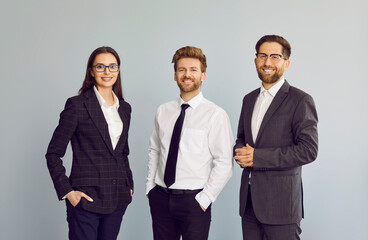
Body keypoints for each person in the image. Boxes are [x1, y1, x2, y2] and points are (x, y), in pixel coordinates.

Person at [234, 35, 318, 240]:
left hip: (282, 207)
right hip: (249, 205)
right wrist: (239, 153)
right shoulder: (249, 99)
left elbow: (308, 150)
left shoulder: (300, 100)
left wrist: (257, 157)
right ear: (255, 61)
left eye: (275, 56)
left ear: (286, 63)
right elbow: (241, 139)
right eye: (262, 56)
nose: (267, 62)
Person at [146, 46, 234, 240]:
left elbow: (225, 163)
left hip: (194, 201)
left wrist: (204, 199)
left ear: (203, 75)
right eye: (181, 70)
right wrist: (150, 188)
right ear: (175, 75)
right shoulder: (163, 111)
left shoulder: (215, 115)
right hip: (160, 196)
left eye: (193, 70)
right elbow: (155, 150)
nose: (187, 75)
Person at [46, 46, 133, 240]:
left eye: (112, 66)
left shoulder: (125, 108)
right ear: (91, 71)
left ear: (118, 71)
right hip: (86, 199)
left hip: (117, 198)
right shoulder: (77, 105)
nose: (107, 71)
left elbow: (122, 152)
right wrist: (68, 192)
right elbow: (53, 153)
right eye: (100, 66)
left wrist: (129, 183)